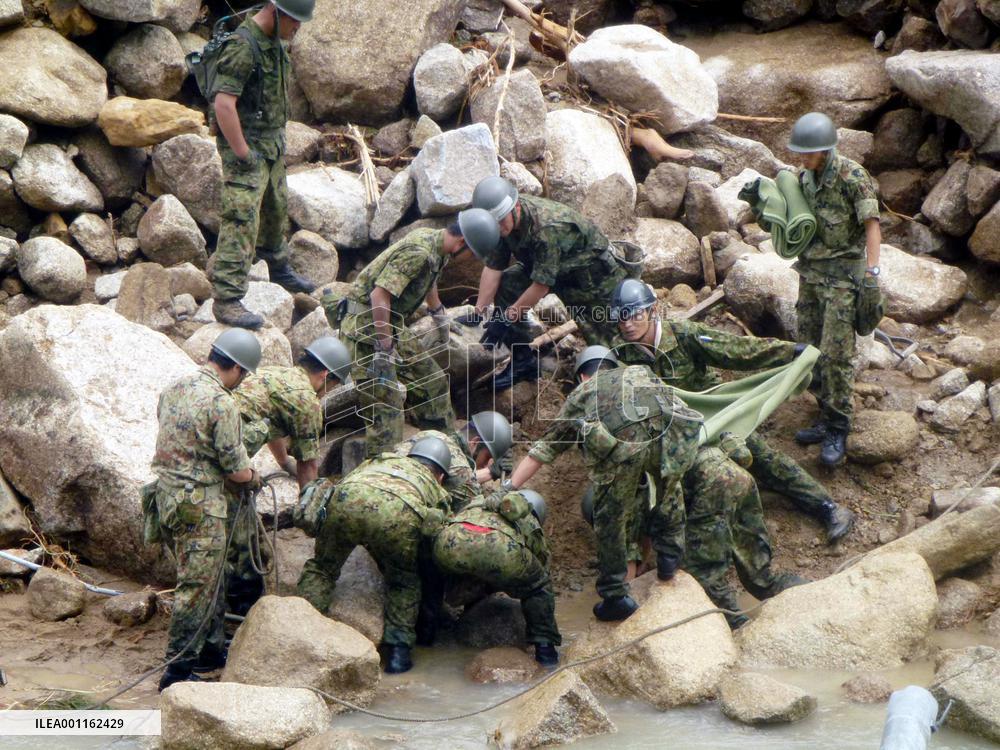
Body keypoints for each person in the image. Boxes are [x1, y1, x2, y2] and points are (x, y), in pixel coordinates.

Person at [609, 278, 855, 543]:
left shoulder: (683, 334)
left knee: (761, 455)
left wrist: (789, 352)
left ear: (653, 310)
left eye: (635, 314)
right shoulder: (620, 353)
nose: (628, 324)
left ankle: (827, 507)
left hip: (715, 413)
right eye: (622, 317)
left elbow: (734, 350)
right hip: (669, 430)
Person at [504, 346, 703, 622]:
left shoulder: (583, 392)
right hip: (666, 442)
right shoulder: (641, 372)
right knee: (670, 491)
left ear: (582, 376)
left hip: (623, 454)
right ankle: (669, 559)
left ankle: (615, 596)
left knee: (611, 520)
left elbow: (545, 448)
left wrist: (509, 486)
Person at [321, 210, 500, 458]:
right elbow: (379, 296)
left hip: (391, 325)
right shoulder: (420, 252)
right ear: (462, 243)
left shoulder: (438, 247)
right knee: (387, 410)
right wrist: (384, 349)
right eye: (473, 254)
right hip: (365, 331)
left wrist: (438, 314)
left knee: (432, 382)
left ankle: (443, 453)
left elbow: (428, 280)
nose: (471, 260)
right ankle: (383, 469)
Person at [150, 329, 261, 691]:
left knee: (211, 579)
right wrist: (254, 477)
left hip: (166, 499)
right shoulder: (221, 403)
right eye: (244, 375)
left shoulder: (174, 388)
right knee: (196, 588)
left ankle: (211, 652)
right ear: (237, 369)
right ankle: (177, 671)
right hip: (200, 508)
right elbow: (236, 470)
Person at [297, 437, 453, 674]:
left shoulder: (381, 459)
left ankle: (301, 629)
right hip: (400, 517)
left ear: (410, 456)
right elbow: (434, 535)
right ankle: (398, 656)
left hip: (348, 499)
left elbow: (349, 481)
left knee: (322, 569)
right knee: (403, 583)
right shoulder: (436, 489)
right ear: (440, 476)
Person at [224, 336, 352, 616]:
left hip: (214, 438)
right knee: (244, 537)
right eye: (333, 385)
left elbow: (272, 425)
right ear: (326, 376)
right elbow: (309, 466)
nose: (329, 391)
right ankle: (242, 608)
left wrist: (283, 462)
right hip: (224, 459)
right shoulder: (306, 401)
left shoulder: (275, 374)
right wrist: (311, 516)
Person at [210, 0, 317, 329]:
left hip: (271, 145)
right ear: (276, 12)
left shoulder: (274, 42)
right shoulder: (243, 46)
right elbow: (223, 104)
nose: (298, 27)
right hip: (247, 147)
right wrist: (242, 152)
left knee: (275, 207)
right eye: (295, 20)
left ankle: (278, 266)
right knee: (241, 218)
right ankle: (227, 299)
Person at [469, 176, 629, 389]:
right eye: (492, 224)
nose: (497, 228)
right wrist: (478, 311)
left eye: (500, 221)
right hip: (548, 267)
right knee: (508, 285)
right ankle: (523, 361)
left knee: (606, 337)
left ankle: (625, 381)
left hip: (590, 277)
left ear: (516, 208)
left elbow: (541, 286)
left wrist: (505, 319)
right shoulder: (501, 223)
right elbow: (494, 267)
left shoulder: (546, 228)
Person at [787, 112, 882, 467]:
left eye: (808, 153)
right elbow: (794, 219)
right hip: (811, 274)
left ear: (826, 150)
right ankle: (823, 414)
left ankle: (839, 426)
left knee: (837, 354)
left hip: (843, 279)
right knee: (809, 349)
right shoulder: (804, 178)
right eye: (800, 153)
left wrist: (872, 273)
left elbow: (872, 225)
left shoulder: (852, 176)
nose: (802, 159)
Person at [392, 411, 514, 645]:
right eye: (486, 458)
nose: (484, 464)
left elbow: (452, 477)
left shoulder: (431, 437)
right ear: (475, 443)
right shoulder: (462, 472)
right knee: (436, 557)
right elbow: (471, 514)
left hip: (378, 500)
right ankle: (424, 639)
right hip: (403, 529)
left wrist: (489, 473)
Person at [433, 489, 561, 666]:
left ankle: (427, 633)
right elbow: (541, 562)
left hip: (450, 543)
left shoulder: (477, 503)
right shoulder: (527, 518)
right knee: (539, 587)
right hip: (499, 551)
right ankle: (545, 651)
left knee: (444, 571)